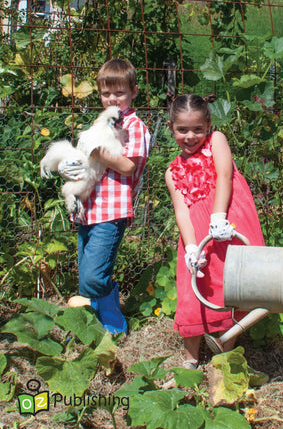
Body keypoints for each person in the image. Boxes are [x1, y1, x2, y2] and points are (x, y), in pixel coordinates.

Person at [165, 94, 265, 369]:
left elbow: (224, 175)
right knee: (194, 289)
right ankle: (191, 358)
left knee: (228, 285)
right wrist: (190, 247)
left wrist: (218, 216)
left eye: (197, 129)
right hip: (199, 235)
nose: (190, 136)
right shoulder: (172, 172)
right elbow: (181, 211)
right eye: (182, 130)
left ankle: (224, 349)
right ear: (172, 128)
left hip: (227, 225)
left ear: (208, 125)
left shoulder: (216, 141)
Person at [60, 58, 150, 335]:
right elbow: (86, 161)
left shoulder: (135, 127)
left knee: (93, 277)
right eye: (106, 93)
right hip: (88, 208)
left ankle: (114, 320)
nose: (112, 98)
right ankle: (97, 318)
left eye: (119, 93)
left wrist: (96, 151)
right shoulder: (101, 125)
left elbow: (128, 166)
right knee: (86, 271)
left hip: (112, 211)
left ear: (134, 92)